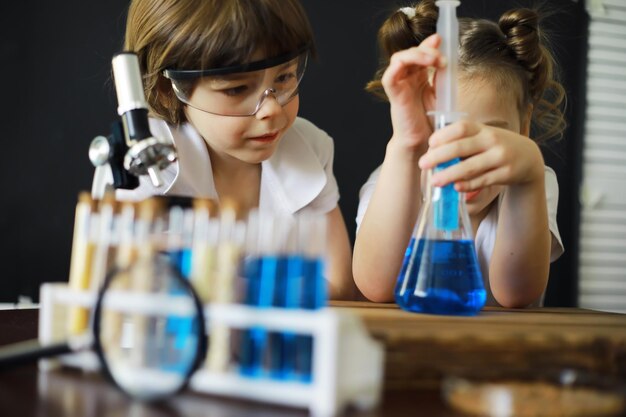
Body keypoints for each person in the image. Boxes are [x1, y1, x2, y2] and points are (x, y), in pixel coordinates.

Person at [91, 0, 354, 299]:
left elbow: (339, 283)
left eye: (283, 78)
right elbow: (124, 288)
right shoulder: (146, 160)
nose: (270, 108)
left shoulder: (308, 146)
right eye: (237, 89)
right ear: (168, 90)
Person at [353, 1, 566, 308]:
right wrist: (406, 144)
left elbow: (516, 295)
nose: (462, 162)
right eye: (441, 134)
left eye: (487, 136)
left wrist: (529, 172)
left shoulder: (533, 181)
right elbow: (377, 287)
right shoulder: (390, 181)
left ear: (524, 126)